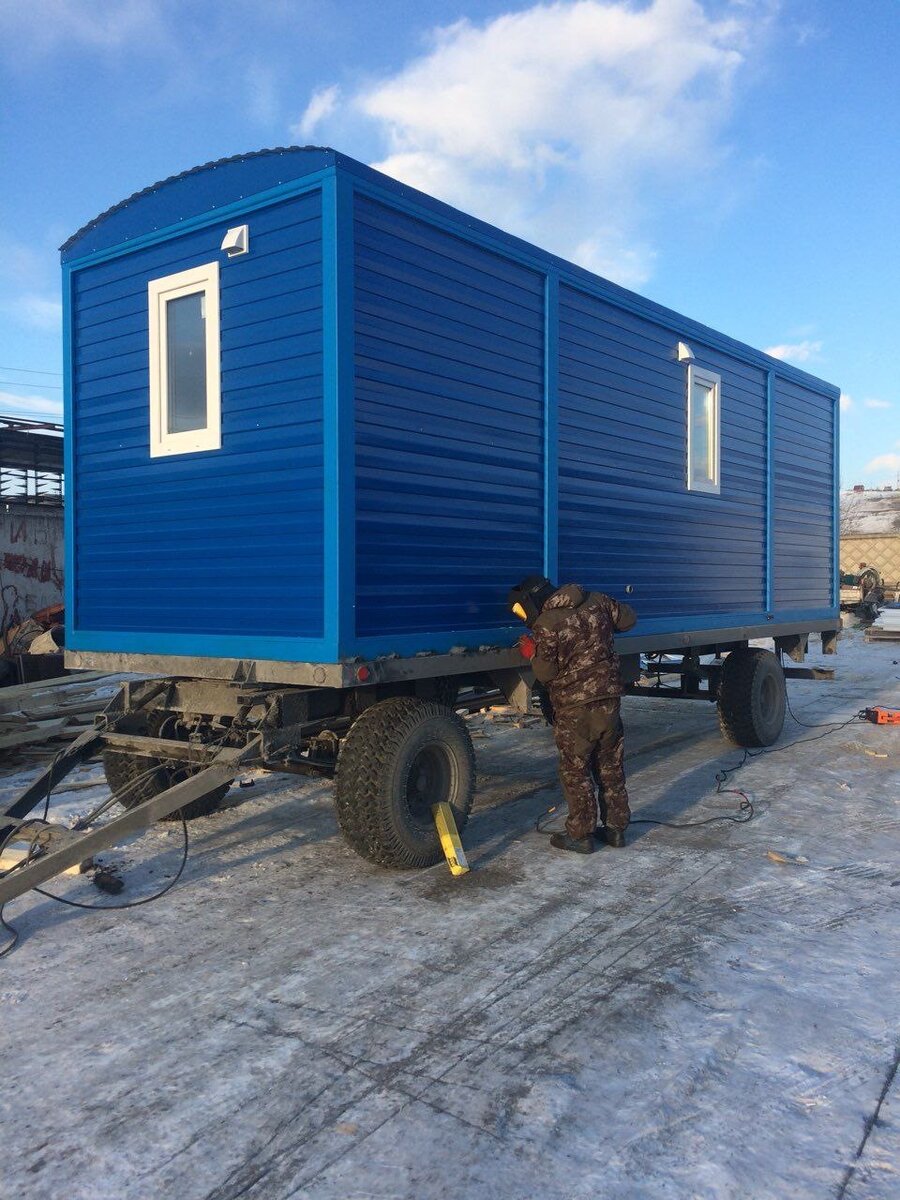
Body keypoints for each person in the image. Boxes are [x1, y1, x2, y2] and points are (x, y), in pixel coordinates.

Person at [508, 575, 637, 855]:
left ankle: (581, 835)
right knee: (610, 765)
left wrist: (533, 653)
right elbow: (628, 620)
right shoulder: (598, 600)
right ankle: (616, 830)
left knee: (576, 772)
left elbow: (545, 673)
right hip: (608, 701)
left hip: (574, 708)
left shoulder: (546, 624)